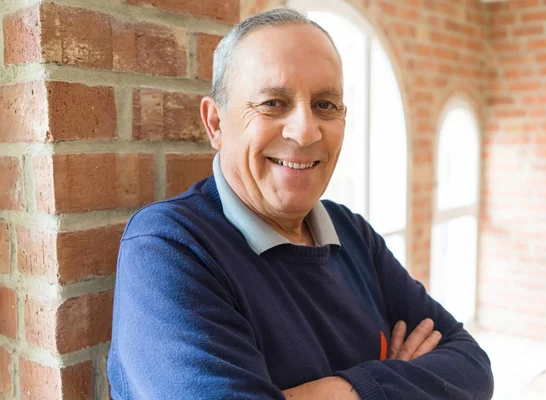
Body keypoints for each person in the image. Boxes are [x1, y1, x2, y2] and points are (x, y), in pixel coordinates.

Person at [107, 8, 493, 400]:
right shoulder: (170, 248)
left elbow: (473, 368)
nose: (305, 131)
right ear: (216, 123)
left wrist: (345, 388)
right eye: (273, 102)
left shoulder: (351, 232)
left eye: (325, 104)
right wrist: (400, 377)